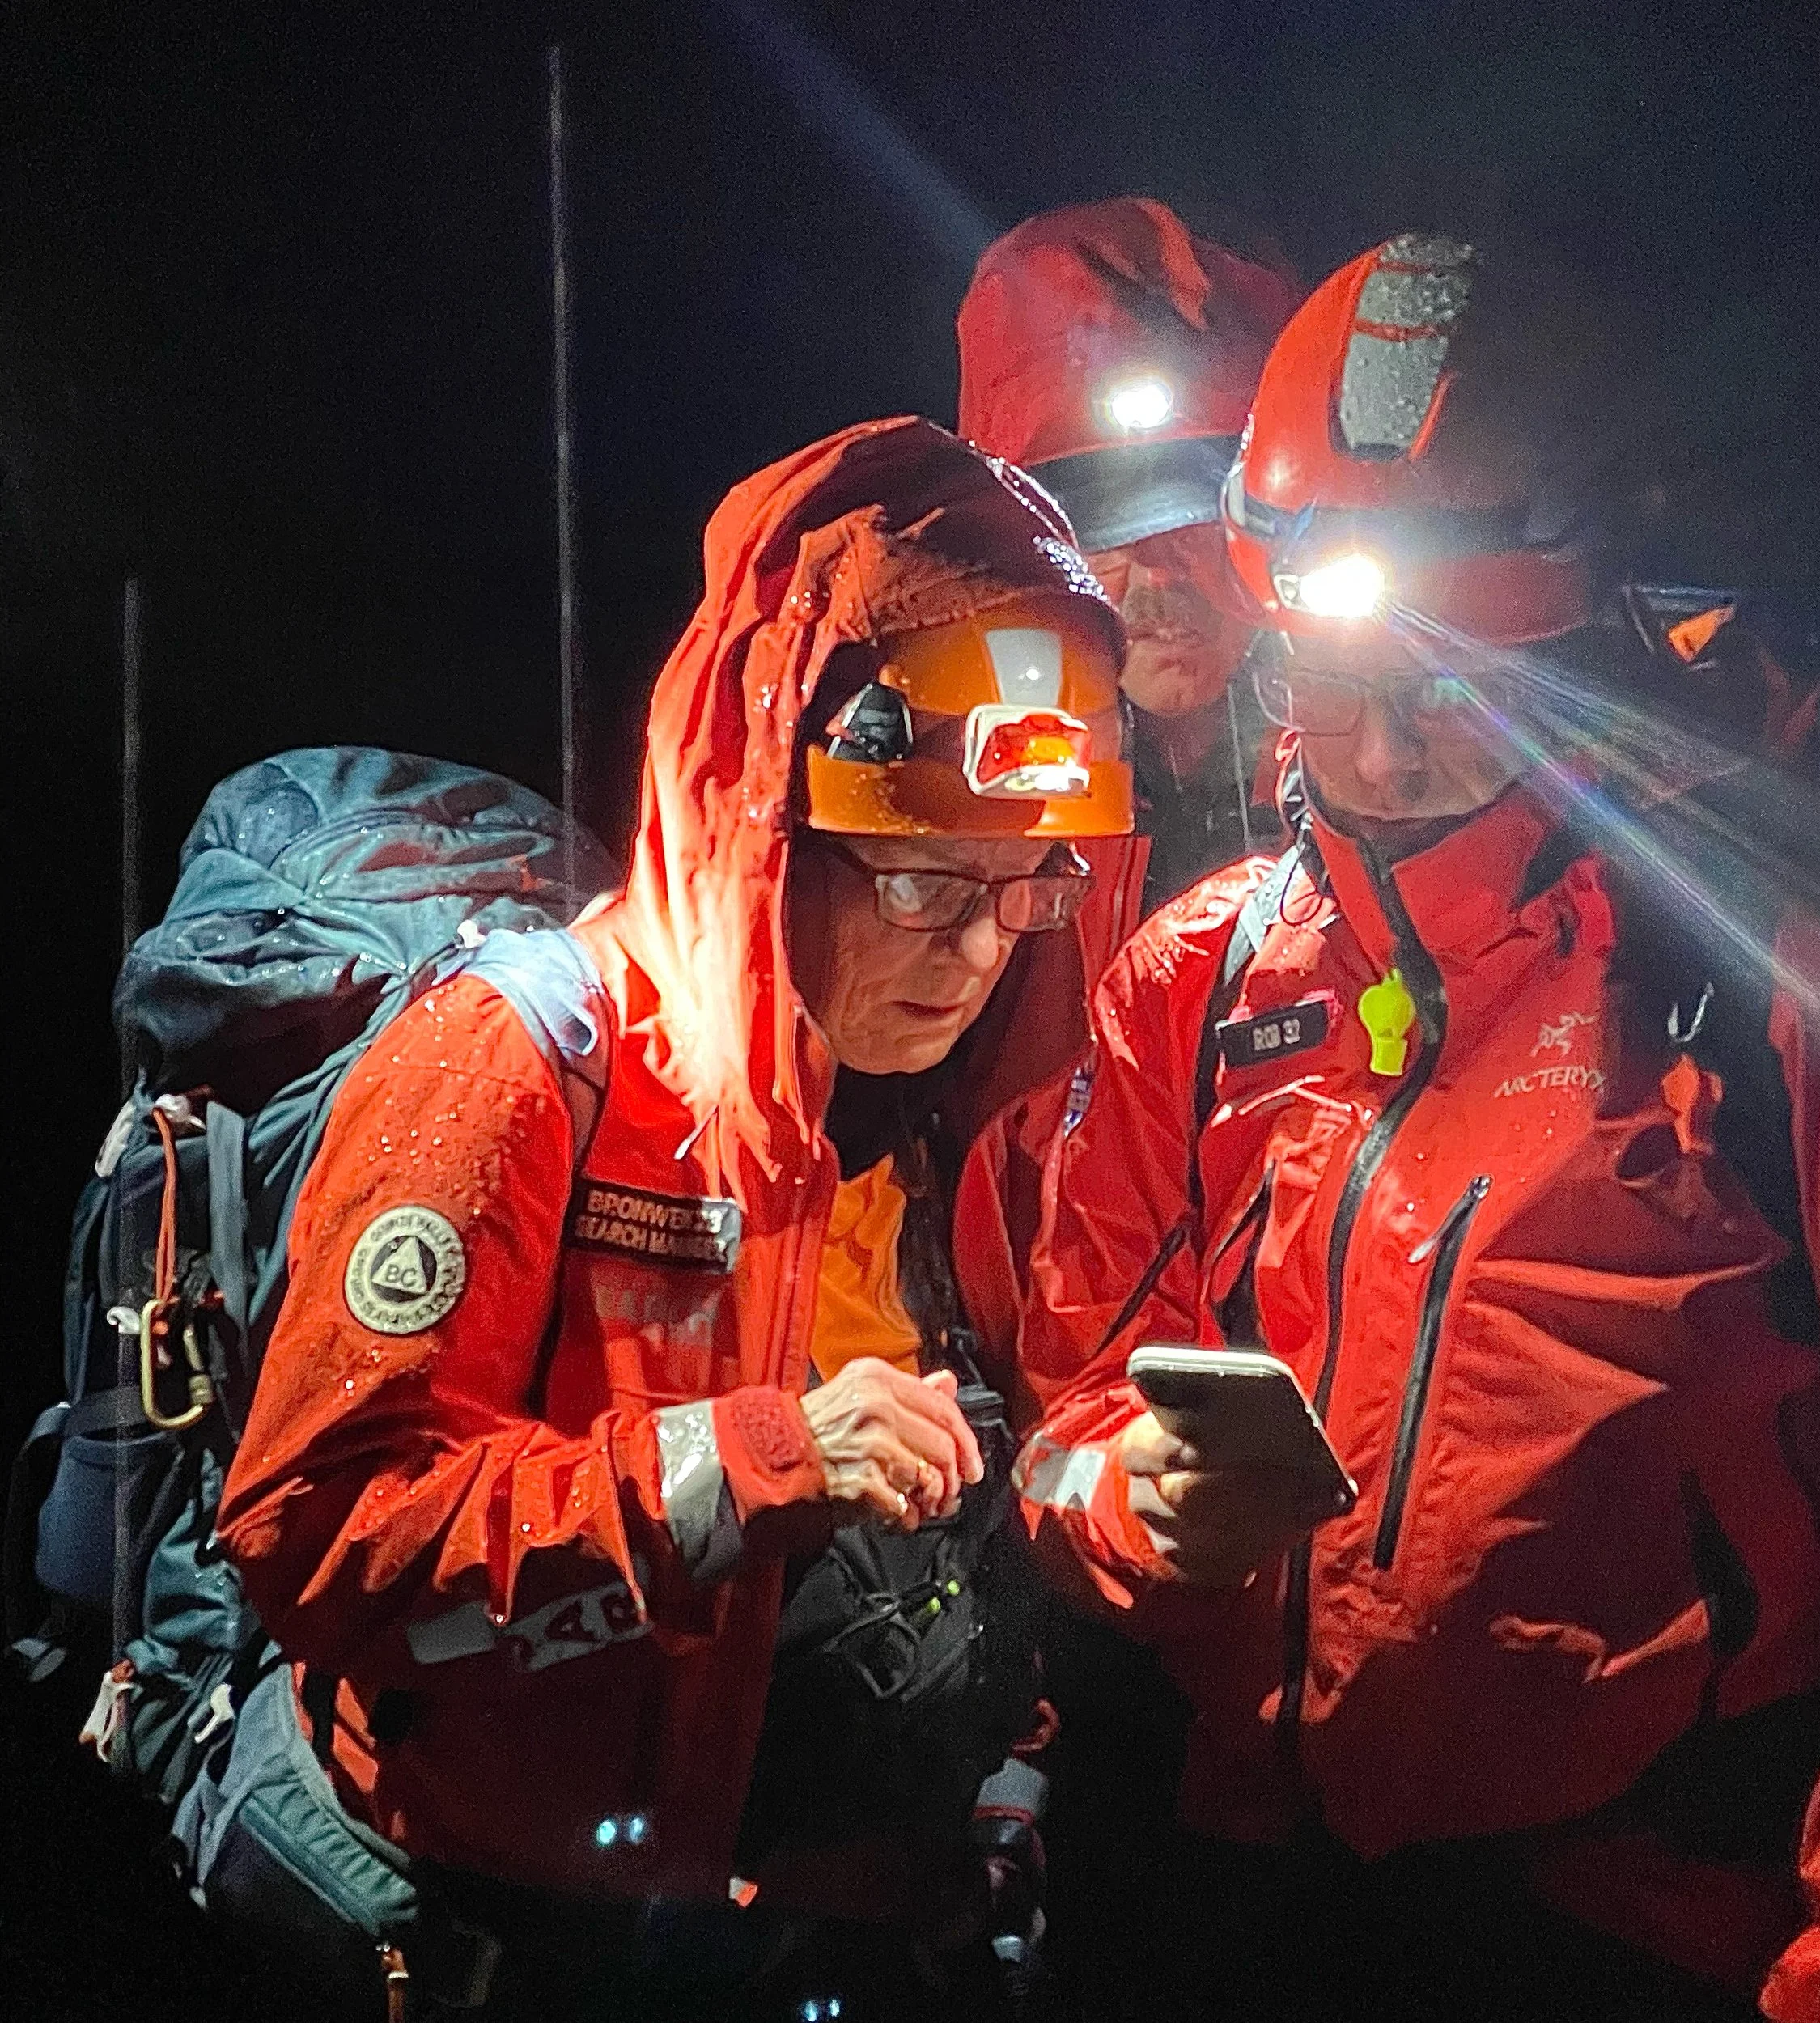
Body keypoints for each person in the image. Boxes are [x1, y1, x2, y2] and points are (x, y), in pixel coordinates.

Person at [1008, 235, 1820, 2023]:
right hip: (1259, 1889)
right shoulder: (1200, 968)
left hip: (1635, 1919)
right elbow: (1072, 1390)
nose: (1386, 749)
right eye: (1341, 673)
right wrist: (1125, 1497)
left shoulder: (1772, 982)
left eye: (1459, 686)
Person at [217, 416, 1136, 2017]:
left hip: (848, 1948)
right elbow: (316, 1537)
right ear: (766, 822)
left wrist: (1003, 1792)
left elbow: (961, 1548)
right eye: (921, 876)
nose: (979, 947)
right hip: (527, 1942)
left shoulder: (943, 1135)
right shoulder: (518, 1061)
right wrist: (755, 1458)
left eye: (1021, 884)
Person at [957, 197, 1303, 915]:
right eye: (1104, 531)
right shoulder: (947, 765)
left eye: (1193, 525)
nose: (1159, 575)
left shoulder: (1381, 750)